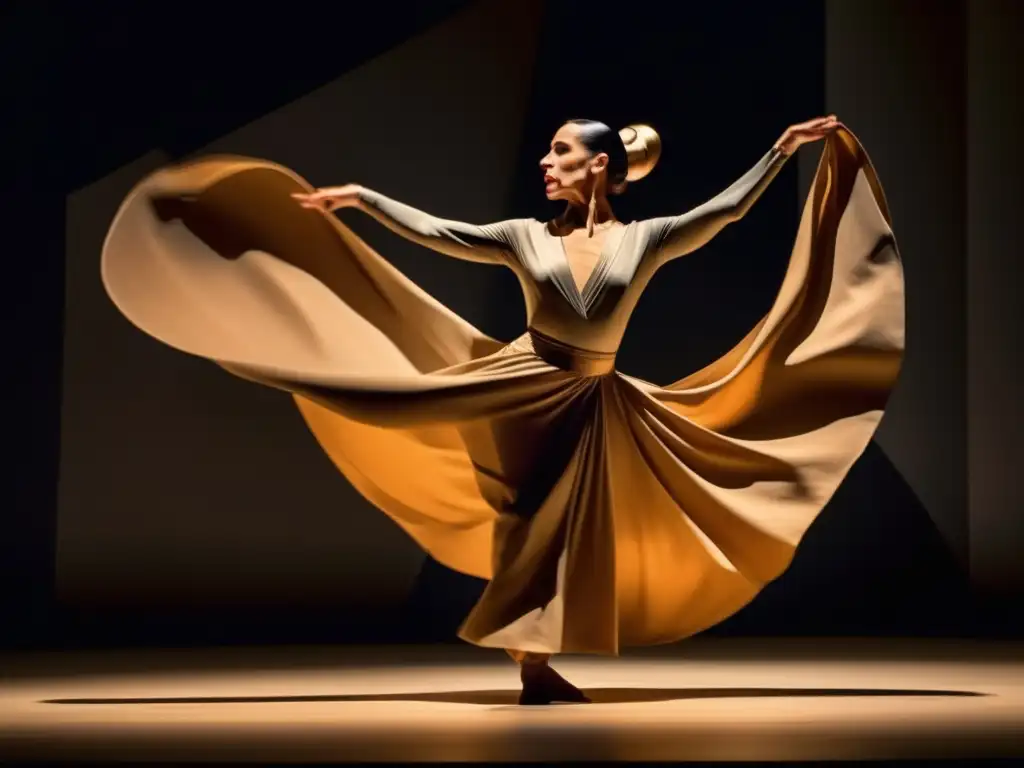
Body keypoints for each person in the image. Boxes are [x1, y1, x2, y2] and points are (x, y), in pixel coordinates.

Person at [101, 116, 905, 706]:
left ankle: (535, 665)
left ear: (601, 165)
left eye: (562, 151)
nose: (548, 162)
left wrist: (781, 151)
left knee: (554, 522)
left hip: (592, 394)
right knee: (419, 428)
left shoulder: (647, 238)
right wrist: (366, 201)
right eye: (548, 150)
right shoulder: (526, 236)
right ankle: (277, 362)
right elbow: (444, 233)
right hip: (521, 381)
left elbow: (725, 213)